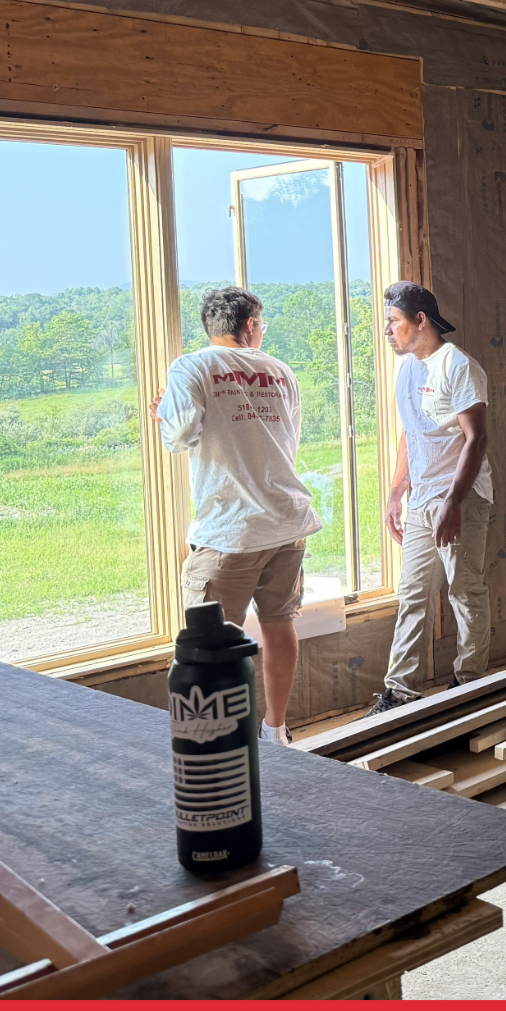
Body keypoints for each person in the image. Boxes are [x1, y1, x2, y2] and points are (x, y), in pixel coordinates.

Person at [154, 286, 321, 746]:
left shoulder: (193, 366)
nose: (261, 332)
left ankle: (217, 743)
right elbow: (287, 439)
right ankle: (275, 731)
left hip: (232, 531)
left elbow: (180, 435)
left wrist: (162, 416)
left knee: (206, 644)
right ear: (249, 325)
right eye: (261, 324)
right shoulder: (281, 372)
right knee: (279, 623)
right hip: (287, 523)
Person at [367, 281, 495, 715]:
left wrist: (454, 503)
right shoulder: (408, 369)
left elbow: (476, 439)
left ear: (419, 321)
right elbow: (412, 433)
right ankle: (399, 693)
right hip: (422, 500)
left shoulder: (457, 366)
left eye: (393, 321)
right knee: (413, 595)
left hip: (461, 498)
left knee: (464, 590)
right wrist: (396, 490)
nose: (387, 330)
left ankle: (468, 687)